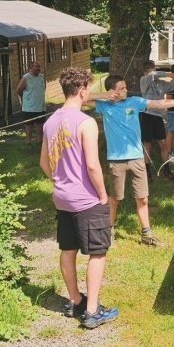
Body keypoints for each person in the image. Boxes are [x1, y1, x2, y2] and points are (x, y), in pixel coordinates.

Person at [39, 67, 119, 329]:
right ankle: (92, 311)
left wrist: (59, 180)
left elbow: (43, 163)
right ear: (83, 90)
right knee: (98, 253)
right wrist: (103, 195)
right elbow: (93, 166)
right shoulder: (86, 123)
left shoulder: (50, 121)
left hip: (62, 197)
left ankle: (75, 301)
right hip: (86, 199)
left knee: (68, 249)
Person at [93, 74, 174, 246]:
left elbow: (159, 104)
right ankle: (109, 231)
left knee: (143, 198)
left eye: (125, 87)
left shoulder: (134, 102)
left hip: (137, 158)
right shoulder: (104, 106)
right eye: (122, 88)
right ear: (113, 91)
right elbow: (81, 99)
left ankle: (147, 235)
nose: (126, 90)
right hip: (116, 160)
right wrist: (104, 95)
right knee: (115, 198)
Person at [139, 60, 174, 179]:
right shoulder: (144, 80)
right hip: (146, 115)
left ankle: (166, 170)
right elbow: (152, 75)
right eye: (153, 69)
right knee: (147, 145)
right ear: (146, 71)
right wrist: (170, 74)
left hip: (158, 117)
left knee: (163, 144)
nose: (154, 72)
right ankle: (147, 172)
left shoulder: (161, 83)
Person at [16, 61, 46, 145]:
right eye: (36, 66)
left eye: (39, 67)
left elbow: (43, 89)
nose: (38, 68)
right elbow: (18, 90)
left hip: (40, 106)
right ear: (31, 68)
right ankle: (28, 142)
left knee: (40, 124)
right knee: (29, 125)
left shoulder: (42, 77)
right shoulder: (26, 78)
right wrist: (25, 99)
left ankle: (39, 141)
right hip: (29, 108)